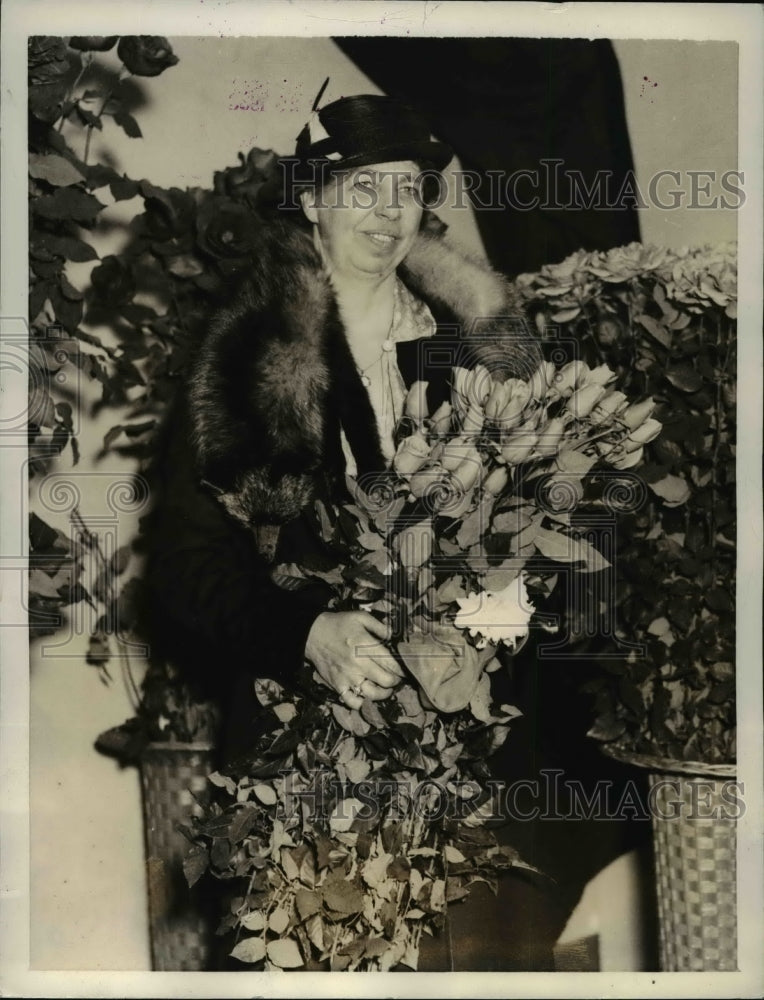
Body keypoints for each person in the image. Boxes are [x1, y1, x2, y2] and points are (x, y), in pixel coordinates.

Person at [141, 92, 560, 969]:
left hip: (474, 752)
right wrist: (306, 633)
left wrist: (487, 626)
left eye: (407, 188)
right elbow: (183, 567)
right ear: (312, 199)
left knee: (483, 965)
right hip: (310, 750)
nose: (389, 212)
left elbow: (544, 525)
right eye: (363, 187)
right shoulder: (246, 359)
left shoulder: (472, 348)